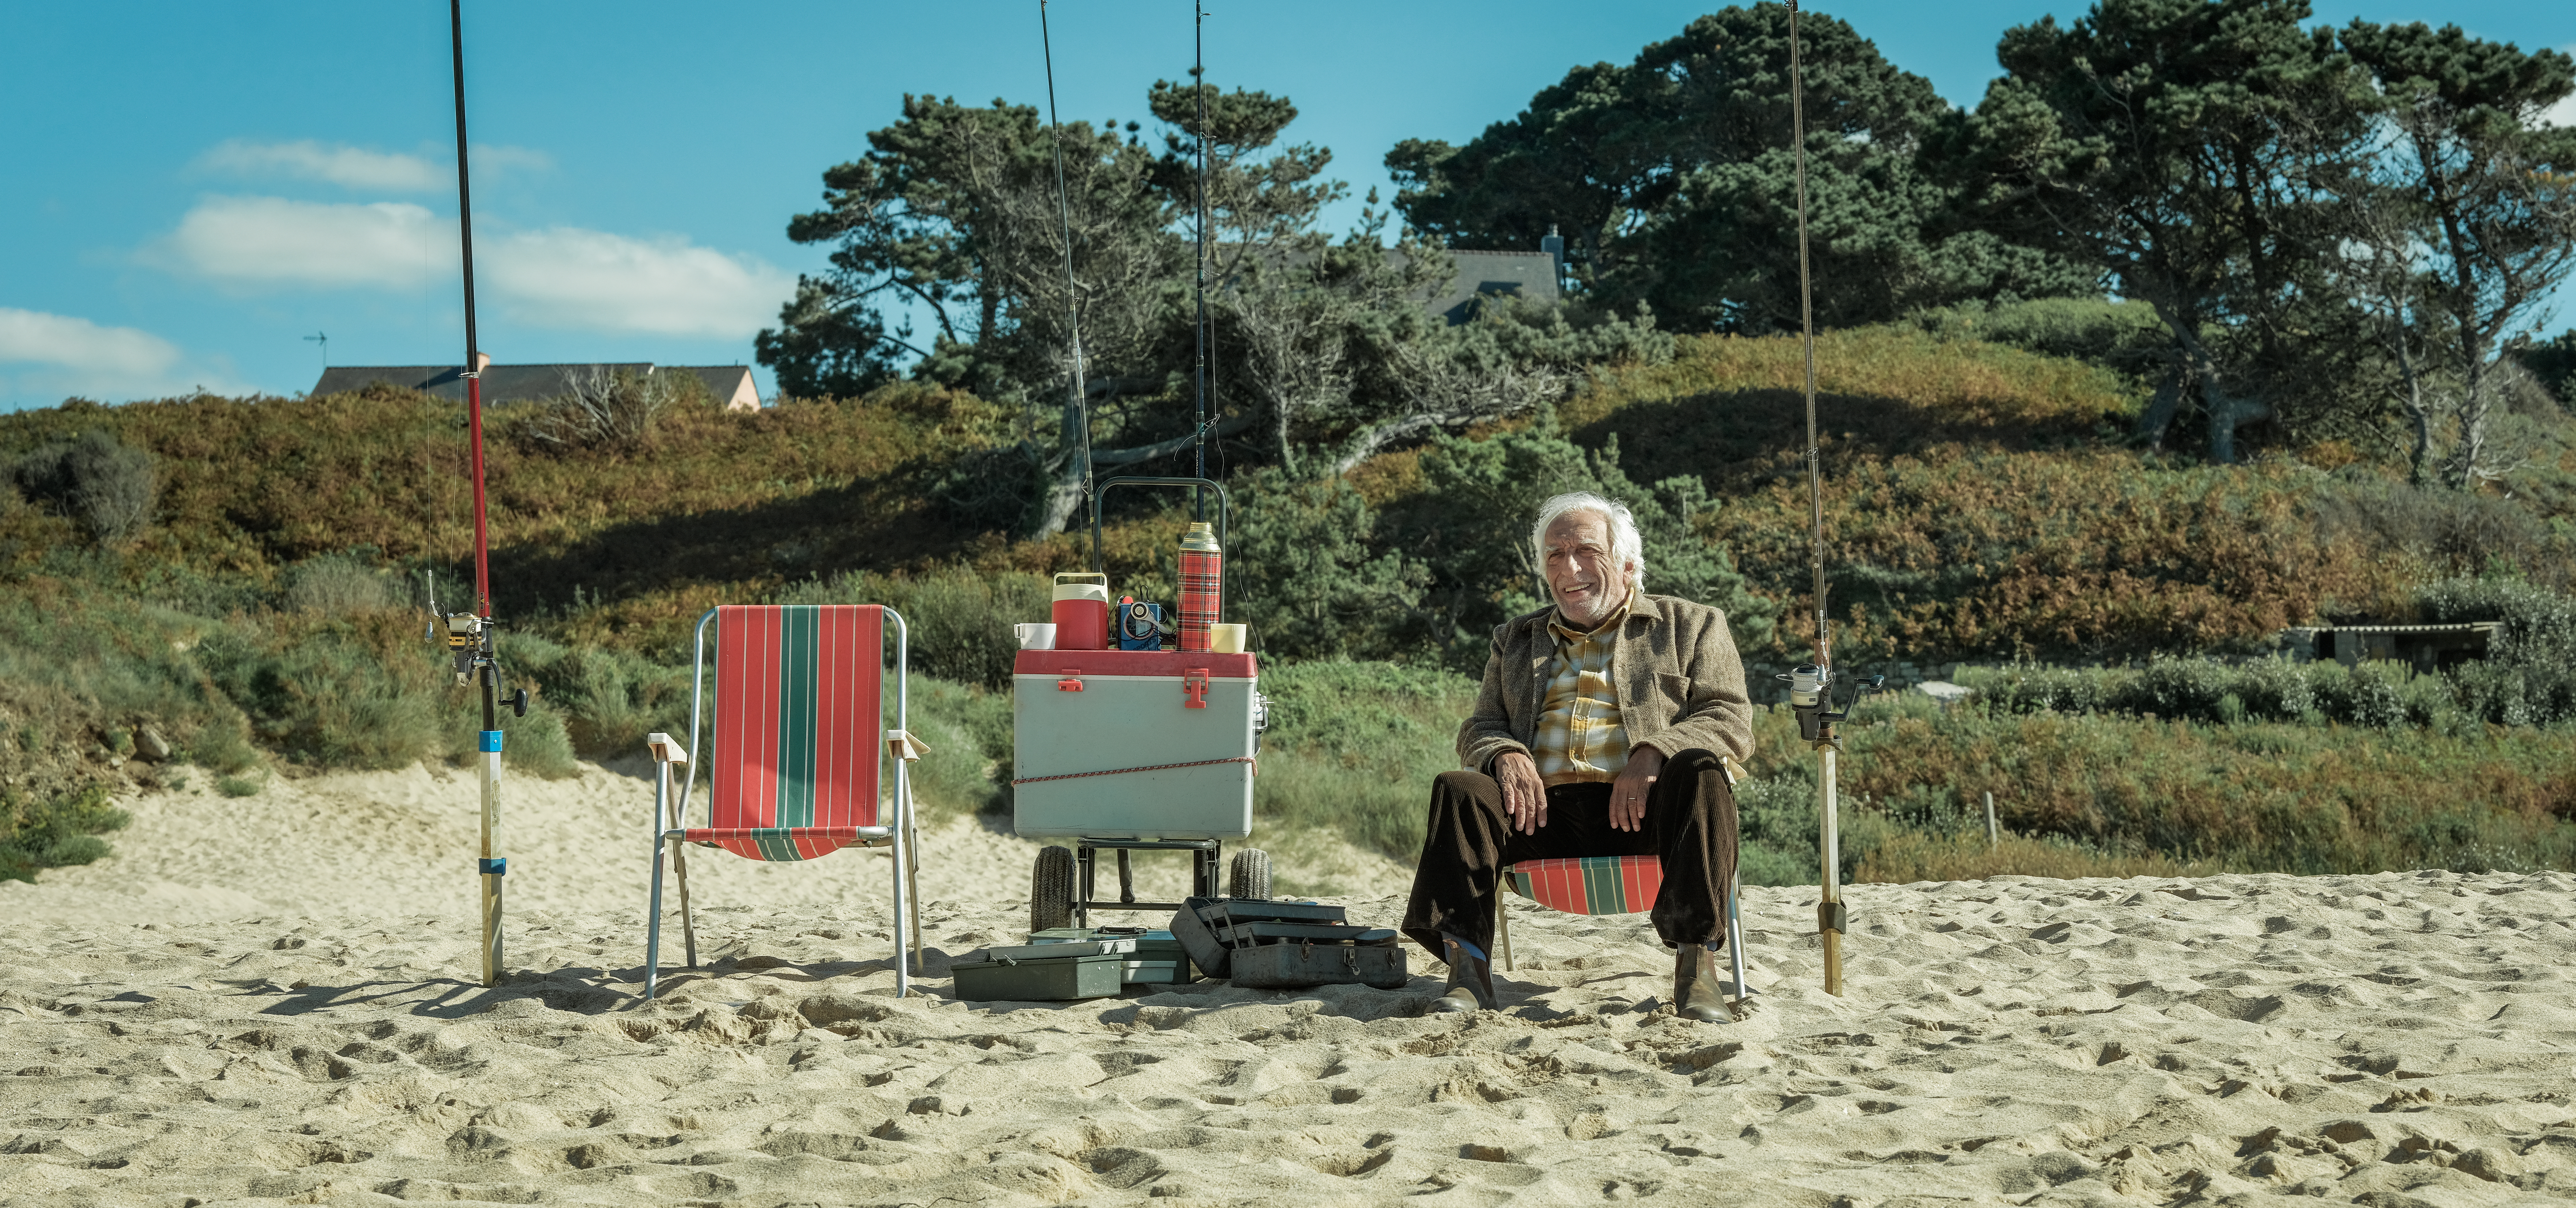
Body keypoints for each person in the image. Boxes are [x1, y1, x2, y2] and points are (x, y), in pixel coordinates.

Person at [1400, 490, 1753, 1022]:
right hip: (1540, 812)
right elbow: (1481, 726)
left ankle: (1697, 970)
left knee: (1702, 770)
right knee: (1460, 787)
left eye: (1586, 551)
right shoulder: (1514, 638)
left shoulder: (1693, 624)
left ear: (1628, 562)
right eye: (1554, 555)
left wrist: (1656, 750)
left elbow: (1730, 718)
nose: (1569, 568)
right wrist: (1504, 753)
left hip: (1650, 814)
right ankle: (1468, 974)